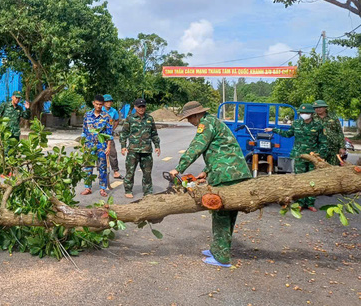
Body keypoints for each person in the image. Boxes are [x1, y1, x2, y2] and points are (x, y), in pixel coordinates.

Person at [169, 101, 251, 268]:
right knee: (228, 212)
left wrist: (178, 169)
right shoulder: (213, 122)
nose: (189, 122)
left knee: (221, 212)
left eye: (189, 118)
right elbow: (221, 149)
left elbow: (196, 147)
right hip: (234, 171)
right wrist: (207, 170)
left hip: (226, 174)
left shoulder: (205, 124)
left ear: (196, 115)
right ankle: (218, 248)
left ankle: (222, 258)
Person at [265, 103, 326, 211]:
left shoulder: (318, 125)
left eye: (306, 113)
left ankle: (310, 203)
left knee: (313, 180)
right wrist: (274, 130)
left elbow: (323, 142)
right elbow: (288, 134)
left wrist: (320, 155)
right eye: (302, 113)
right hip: (299, 155)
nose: (304, 114)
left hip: (313, 156)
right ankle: (300, 203)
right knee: (300, 180)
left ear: (311, 114)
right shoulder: (296, 123)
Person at [119, 97, 160, 198]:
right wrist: (123, 146)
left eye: (143, 106)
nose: (141, 108)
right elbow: (124, 133)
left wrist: (157, 146)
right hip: (133, 150)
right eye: (139, 106)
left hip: (146, 151)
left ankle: (148, 191)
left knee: (147, 173)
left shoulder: (149, 119)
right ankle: (128, 190)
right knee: (130, 171)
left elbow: (154, 133)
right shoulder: (130, 118)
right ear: (135, 107)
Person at [81, 94, 113, 197]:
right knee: (88, 167)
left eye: (100, 104)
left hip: (101, 146)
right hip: (89, 146)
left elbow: (109, 134)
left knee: (102, 167)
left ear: (103, 104)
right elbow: (84, 131)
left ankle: (103, 188)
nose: (98, 106)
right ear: (93, 103)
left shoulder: (106, 117)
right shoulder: (87, 115)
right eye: (97, 104)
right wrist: (83, 144)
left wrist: (108, 147)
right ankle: (87, 187)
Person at [312, 100, 344, 166]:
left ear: (325, 108)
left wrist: (342, 147)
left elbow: (340, 132)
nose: (318, 109)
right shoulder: (312, 118)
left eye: (320, 107)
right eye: (316, 108)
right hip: (318, 148)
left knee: (333, 169)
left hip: (333, 148)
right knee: (318, 168)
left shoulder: (333, 117)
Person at [103, 94, 123, 179]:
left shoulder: (113, 111)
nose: (109, 103)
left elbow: (117, 120)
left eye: (110, 101)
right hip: (99, 135)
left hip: (109, 135)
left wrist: (112, 129)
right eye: (107, 101)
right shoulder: (100, 110)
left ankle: (115, 171)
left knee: (112, 152)